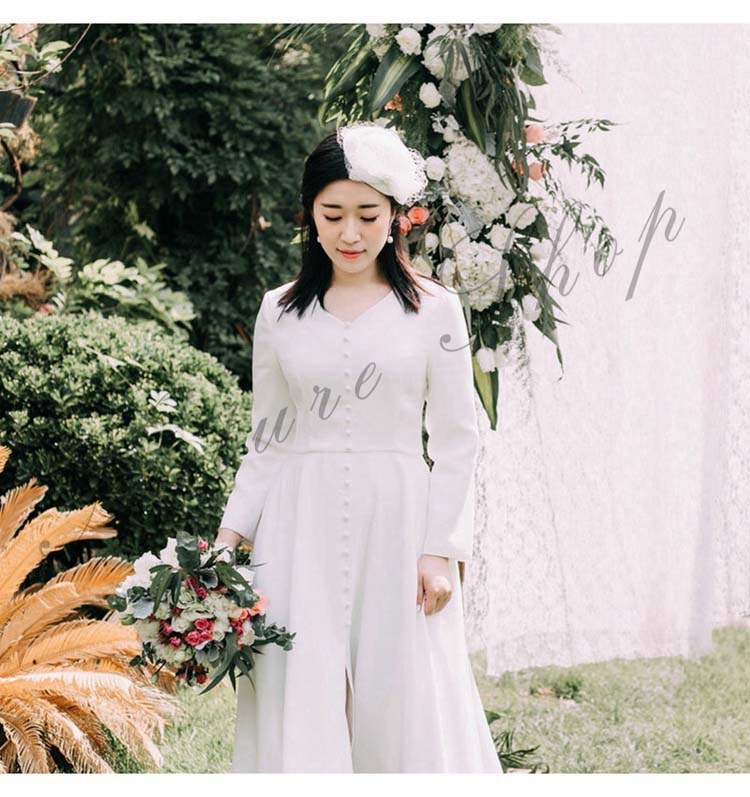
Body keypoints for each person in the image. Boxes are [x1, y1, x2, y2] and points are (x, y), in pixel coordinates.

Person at [215, 122, 503, 774]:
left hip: (399, 519)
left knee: (404, 691)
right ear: (310, 214)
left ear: (396, 215)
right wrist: (227, 543)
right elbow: (267, 441)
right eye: (333, 214)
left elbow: (457, 439)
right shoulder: (278, 311)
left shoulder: (436, 309)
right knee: (301, 683)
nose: (350, 233)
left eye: (368, 215)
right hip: (298, 524)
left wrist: (440, 549)